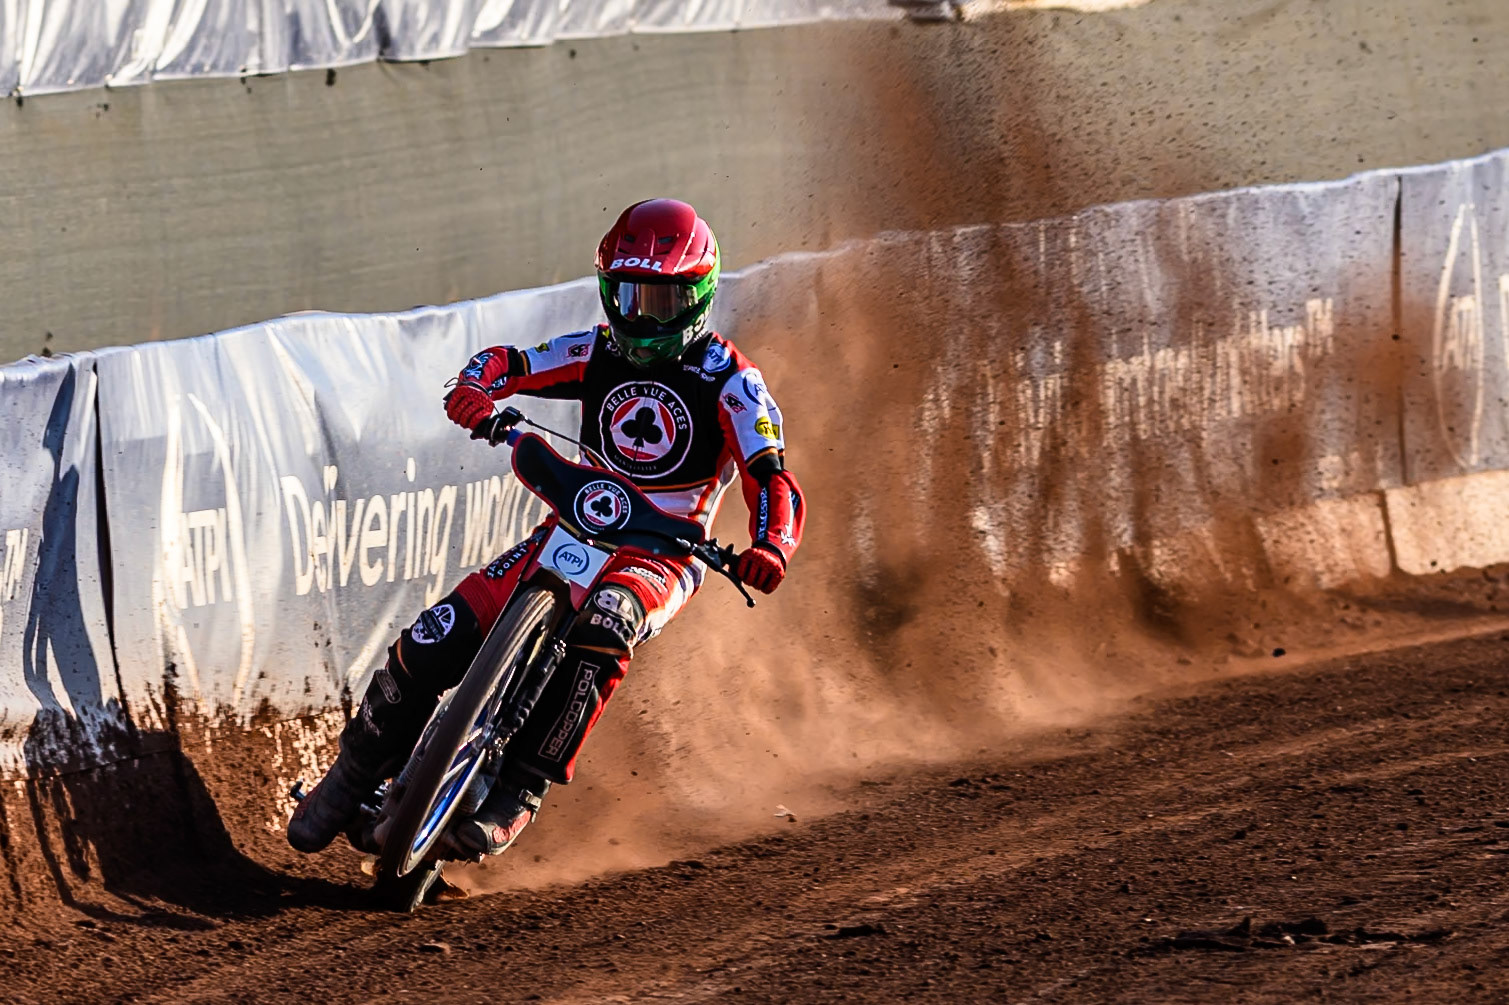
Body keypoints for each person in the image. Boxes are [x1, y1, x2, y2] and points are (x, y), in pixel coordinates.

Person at [288, 199, 806, 858]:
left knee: (605, 622)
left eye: (660, 299)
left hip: (664, 550)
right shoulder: (595, 350)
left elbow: (771, 476)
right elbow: (512, 363)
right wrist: (475, 390)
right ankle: (350, 774)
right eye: (627, 293)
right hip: (574, 521)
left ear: (698, 296)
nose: (641, 314)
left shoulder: (732, 382)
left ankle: (519, 790)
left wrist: (770, 544)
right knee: (430, 638)